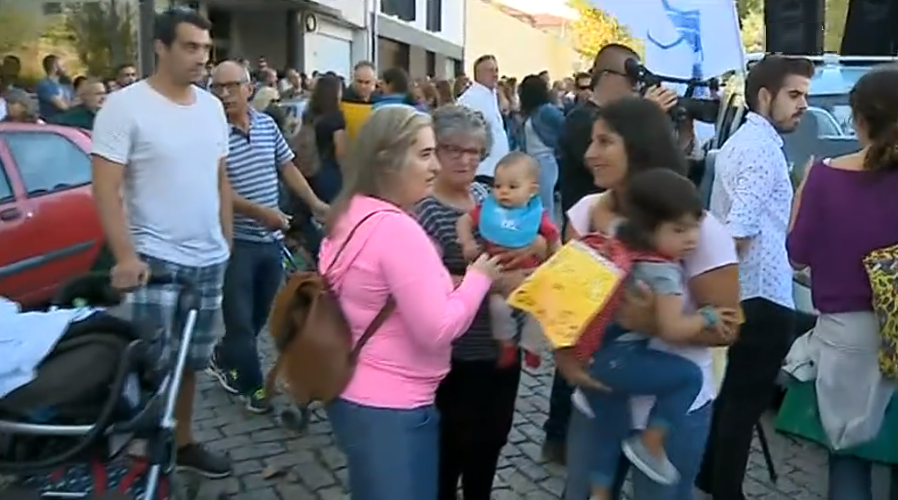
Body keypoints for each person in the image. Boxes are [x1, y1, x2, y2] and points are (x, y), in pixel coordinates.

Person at [562, 97, 740, 500]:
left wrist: (652, 323)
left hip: (674, 415)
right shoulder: (585, 214)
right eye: (591, 141)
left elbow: (730, 326)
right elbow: (564, 304)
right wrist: (566, 361)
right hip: (598, 398)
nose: (590, 153)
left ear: (638, 146)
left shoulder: (697, 228)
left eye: (604, 141)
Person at [320, 106, 502, 500]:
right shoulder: (399, 229)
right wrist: (478, 279)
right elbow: (436, 329)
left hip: (354, 389)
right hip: (392, 405)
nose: (436, 166)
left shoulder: (351, 211)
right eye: (425, 154)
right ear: (386, 161)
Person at [90, 8, 234, 478]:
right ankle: (137, 455)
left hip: (209, 257)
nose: (202, 58)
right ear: (161, 47)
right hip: (154, 257)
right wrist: (127, 255)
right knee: (149, 362)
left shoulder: (212, 107)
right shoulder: (125, 106)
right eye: (191, 47)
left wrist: (226, 238)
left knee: (193, 360)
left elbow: (219, 178)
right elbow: (105, 188)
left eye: (206, 49)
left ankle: (184, 439)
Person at [544, 43, 679, 463]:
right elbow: (559, 307)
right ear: (611, 77)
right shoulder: (580, 119)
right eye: (634, 78)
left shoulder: (681, 215)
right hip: (588, 246)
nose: (594, 151)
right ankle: (561, 436)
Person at [700, 54, 813, 500]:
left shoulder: (744, 141)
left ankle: (711, 479)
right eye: (794, 95)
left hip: (749, 292)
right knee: (742, 409)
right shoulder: (762, 149)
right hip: (761, 297)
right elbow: (740, 230)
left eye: (804, 95)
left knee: (731, 402)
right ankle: (726, 490)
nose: (802, 104)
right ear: (765, 96)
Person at [784, 67, 898, 500]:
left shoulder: (826, 179)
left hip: (847, 335)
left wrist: (800, 203)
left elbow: (797, 254)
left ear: (859, 119)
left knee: (848, 457)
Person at [418, 105, 540, 500]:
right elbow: (422, 286)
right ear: (435, 150)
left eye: (474, 151)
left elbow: (535, 239)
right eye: (454, 149)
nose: (466, 158)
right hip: (454, 356)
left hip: (502, 351)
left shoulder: (492, 196)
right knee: (449, 452)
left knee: (490, 445)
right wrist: (491, 282)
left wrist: (535, 257)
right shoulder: (424, 210)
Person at [205, 60, 328, 413]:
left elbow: (286, 166)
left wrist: (315, 203)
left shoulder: (266, 125)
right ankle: (254, 389)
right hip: (234, 243)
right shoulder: (210, 133)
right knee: (240, 320)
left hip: (270, 243)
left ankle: (223, 356)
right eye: (217, 87)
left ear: (248, 88)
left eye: (231, 86)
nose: (225, 94)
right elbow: (217, 190)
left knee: (257, 317)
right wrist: (261, 213)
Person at [456, 151, 560, 368]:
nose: (503, 192)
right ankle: (507, 344)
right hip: (497, 276)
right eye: (498, 185)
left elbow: (553, 237)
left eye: (512, 187)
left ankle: (532, 346)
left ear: (532, 190)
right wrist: (466, 242)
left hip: (529, 281)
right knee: (498, 309)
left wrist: (554, 261)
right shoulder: (488, 209)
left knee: (538, 312)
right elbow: (464, 220)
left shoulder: (536, 215)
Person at [517, 74, 564, 223]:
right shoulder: (531, 112)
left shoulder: (546, 110)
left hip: (545, 160)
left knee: (544, 204)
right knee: (534, 203)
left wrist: (557, 147)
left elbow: (565, 127)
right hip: (532, 162)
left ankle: (549, 237)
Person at [457, 55, 509, 186]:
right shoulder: (469, 99)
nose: (495, 74)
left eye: (496, 70)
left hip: (497, 169)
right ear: (478, 74)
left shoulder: (491, 95)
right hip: (482, 171)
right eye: (490, 70)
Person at [306, 74, 348, 204]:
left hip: (308, 170)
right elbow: (340, 151)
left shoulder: (309, 114)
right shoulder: (336, 117)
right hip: (330, 172)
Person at [36, 54, 71, 120]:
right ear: (55, 67)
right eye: (63, 66)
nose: (65, 68)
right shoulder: (45, 85)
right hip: (52, 123)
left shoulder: (65, 85)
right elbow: (63, 107)